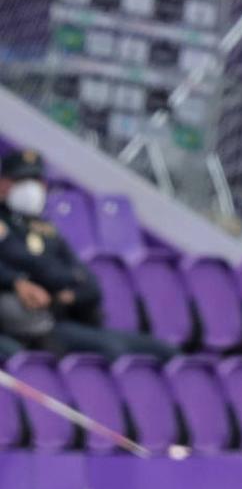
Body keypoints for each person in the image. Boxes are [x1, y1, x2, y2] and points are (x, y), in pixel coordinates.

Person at [0, 149, 176, 361]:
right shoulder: (5, 226)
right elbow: (30, 262)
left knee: (166, 351)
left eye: (36, 179)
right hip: (43, 326)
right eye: (21, 180)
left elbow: (91, 286)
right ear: (3, 184)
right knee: (113, 352)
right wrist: (24, 281)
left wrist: (61, 291)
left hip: (67, 317)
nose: (31, 188)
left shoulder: (47, 230)